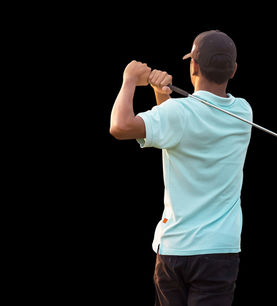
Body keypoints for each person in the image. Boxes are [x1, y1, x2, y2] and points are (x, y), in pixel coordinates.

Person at [110, 30, 252, 306]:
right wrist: (161, 98)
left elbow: (120, 126)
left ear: (194, 66)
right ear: (233, 70)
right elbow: (183, 132)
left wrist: (129, 80)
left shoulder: (177, 115)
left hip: (174, 250)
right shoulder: (244, 112)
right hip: (219, 251)